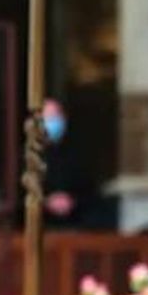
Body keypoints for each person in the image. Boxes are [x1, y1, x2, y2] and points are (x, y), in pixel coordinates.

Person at [38, 98, 94, 229]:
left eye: (55, 117)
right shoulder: (28, 156)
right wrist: (46, 202)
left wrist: (72, 201)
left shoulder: (78, 153)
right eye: (48, 118)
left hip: (76, 227)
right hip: (40, 227)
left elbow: (90, 192)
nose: (52, 123)